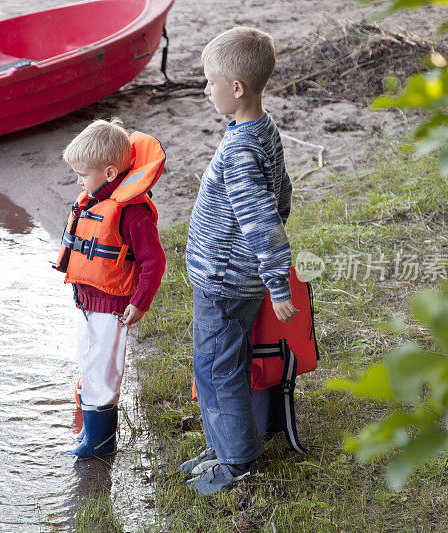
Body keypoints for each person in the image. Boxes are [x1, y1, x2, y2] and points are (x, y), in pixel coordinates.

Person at [182, 27, 299, 494]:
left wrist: (276, 281)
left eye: (210, 82)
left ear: (236, 88)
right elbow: (282, 192)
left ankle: (237, 462)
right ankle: (222, 445)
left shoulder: (238, 149)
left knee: (216, 367)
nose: (206, 89)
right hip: (234, 274)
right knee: (219, 361)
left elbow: (261, 220)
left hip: (225, 281)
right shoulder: (259, 129)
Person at [55, 118, 166, 460]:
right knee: (89, 364)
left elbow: (154, 261)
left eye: (83, 174)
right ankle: (91, 430)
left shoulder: (132, 213)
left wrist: (140, 302)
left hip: (113, 308)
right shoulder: (95, 199)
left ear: (107, 173)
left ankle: (101, 445)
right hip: (88, 302)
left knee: (104, 371)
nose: (78, 181)